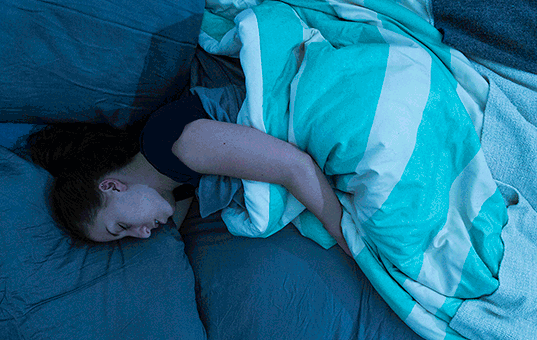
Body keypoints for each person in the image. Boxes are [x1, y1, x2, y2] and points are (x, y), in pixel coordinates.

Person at [25, 92, 352, 255]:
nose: (142, 234)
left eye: (122, 226)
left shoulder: (181, 145)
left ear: (111, 186)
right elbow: (172, 243)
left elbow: (295, 167)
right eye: (127, 236)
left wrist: (347, 240)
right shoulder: (171, 186)